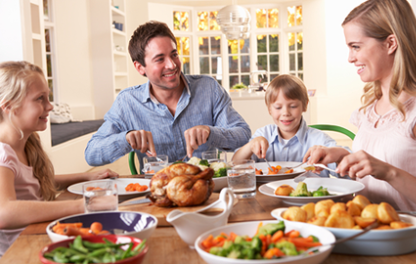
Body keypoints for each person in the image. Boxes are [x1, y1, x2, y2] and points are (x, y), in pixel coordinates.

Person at [304, 0, 416, 245]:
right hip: (366, 240)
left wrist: (388, 172)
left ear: (390, 44)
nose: (350, 58)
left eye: (356, 46)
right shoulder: (370, 108)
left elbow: (387, 168)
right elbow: (374, 166)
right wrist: (340, 154)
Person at [85, 21, 251, 168]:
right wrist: (125, 139)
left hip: (207, 187)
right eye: (160, 59)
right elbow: (91, 154)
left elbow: (243, 134)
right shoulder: (127, 102)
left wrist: (210, 132)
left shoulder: (209, 88)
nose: (172, 65)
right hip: (159, 192)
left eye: (174, 55)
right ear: (140, 67)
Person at [0, 61, 119, 256]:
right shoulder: (3, 154)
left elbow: (31, 182)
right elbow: (4, 212)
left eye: (48, 97)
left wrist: (86, 177)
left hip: (38, 236)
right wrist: (83, 205)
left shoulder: (27, 143)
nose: (50, 106)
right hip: (19, 252)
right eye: (40, 99)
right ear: (9, 106)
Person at [232, 74, 341, 176]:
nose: (285, 113)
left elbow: (346, 170)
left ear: (305, 105)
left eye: (293, 106)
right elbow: (235, 165)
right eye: (278, 107)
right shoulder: (263, 134)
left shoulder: (319, 140)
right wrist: (250, 146)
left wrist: (334, 155)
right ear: (269, 109)